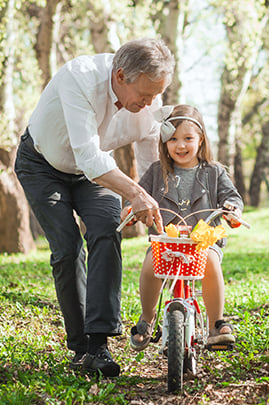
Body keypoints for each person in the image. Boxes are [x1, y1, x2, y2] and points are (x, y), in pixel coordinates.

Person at [14, 38, 174, 378]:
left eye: (156, 95)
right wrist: (133, 193)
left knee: (106, 230)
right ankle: (80, 347)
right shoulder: (80, 78)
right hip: (43, 165)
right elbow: (88, 156)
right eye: (144, 96)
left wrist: (152, 201)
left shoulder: (148, 101)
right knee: (68, 248)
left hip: (97, 172)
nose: (149, 103)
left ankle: (99, 344)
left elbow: (149, 160)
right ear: (120, 76)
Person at [127, 104, 244, 351]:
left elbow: (231, 197)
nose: (180, 146)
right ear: (164, 143)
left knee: (210, 263)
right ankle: (147, 320)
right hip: (166, 243)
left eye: (188, 138)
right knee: (150, 267)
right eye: (173, 139)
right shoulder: (156, 172)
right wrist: (132, 208)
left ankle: (215, 324)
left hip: (203, 243)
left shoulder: (214, 172)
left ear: (201, 140)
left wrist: (232, 210)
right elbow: (137, 194)